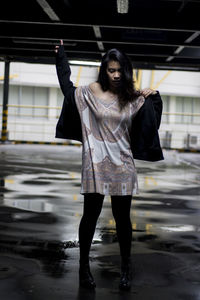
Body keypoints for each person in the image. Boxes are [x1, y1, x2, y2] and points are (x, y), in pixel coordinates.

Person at [54, 40, 164, 290]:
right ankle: (83, 268)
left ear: (126, 71)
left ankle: (126, 269)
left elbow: (151, 121)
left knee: (122, 219)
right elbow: (67, 89)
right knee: (90, 216)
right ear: (104, 70)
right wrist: (61, 58)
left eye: (119, 70)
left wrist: (154, 97)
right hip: (94, 164)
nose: (115, 75)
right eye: (110, 70)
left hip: (122, 166)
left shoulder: (131, 98)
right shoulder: (89, 93)